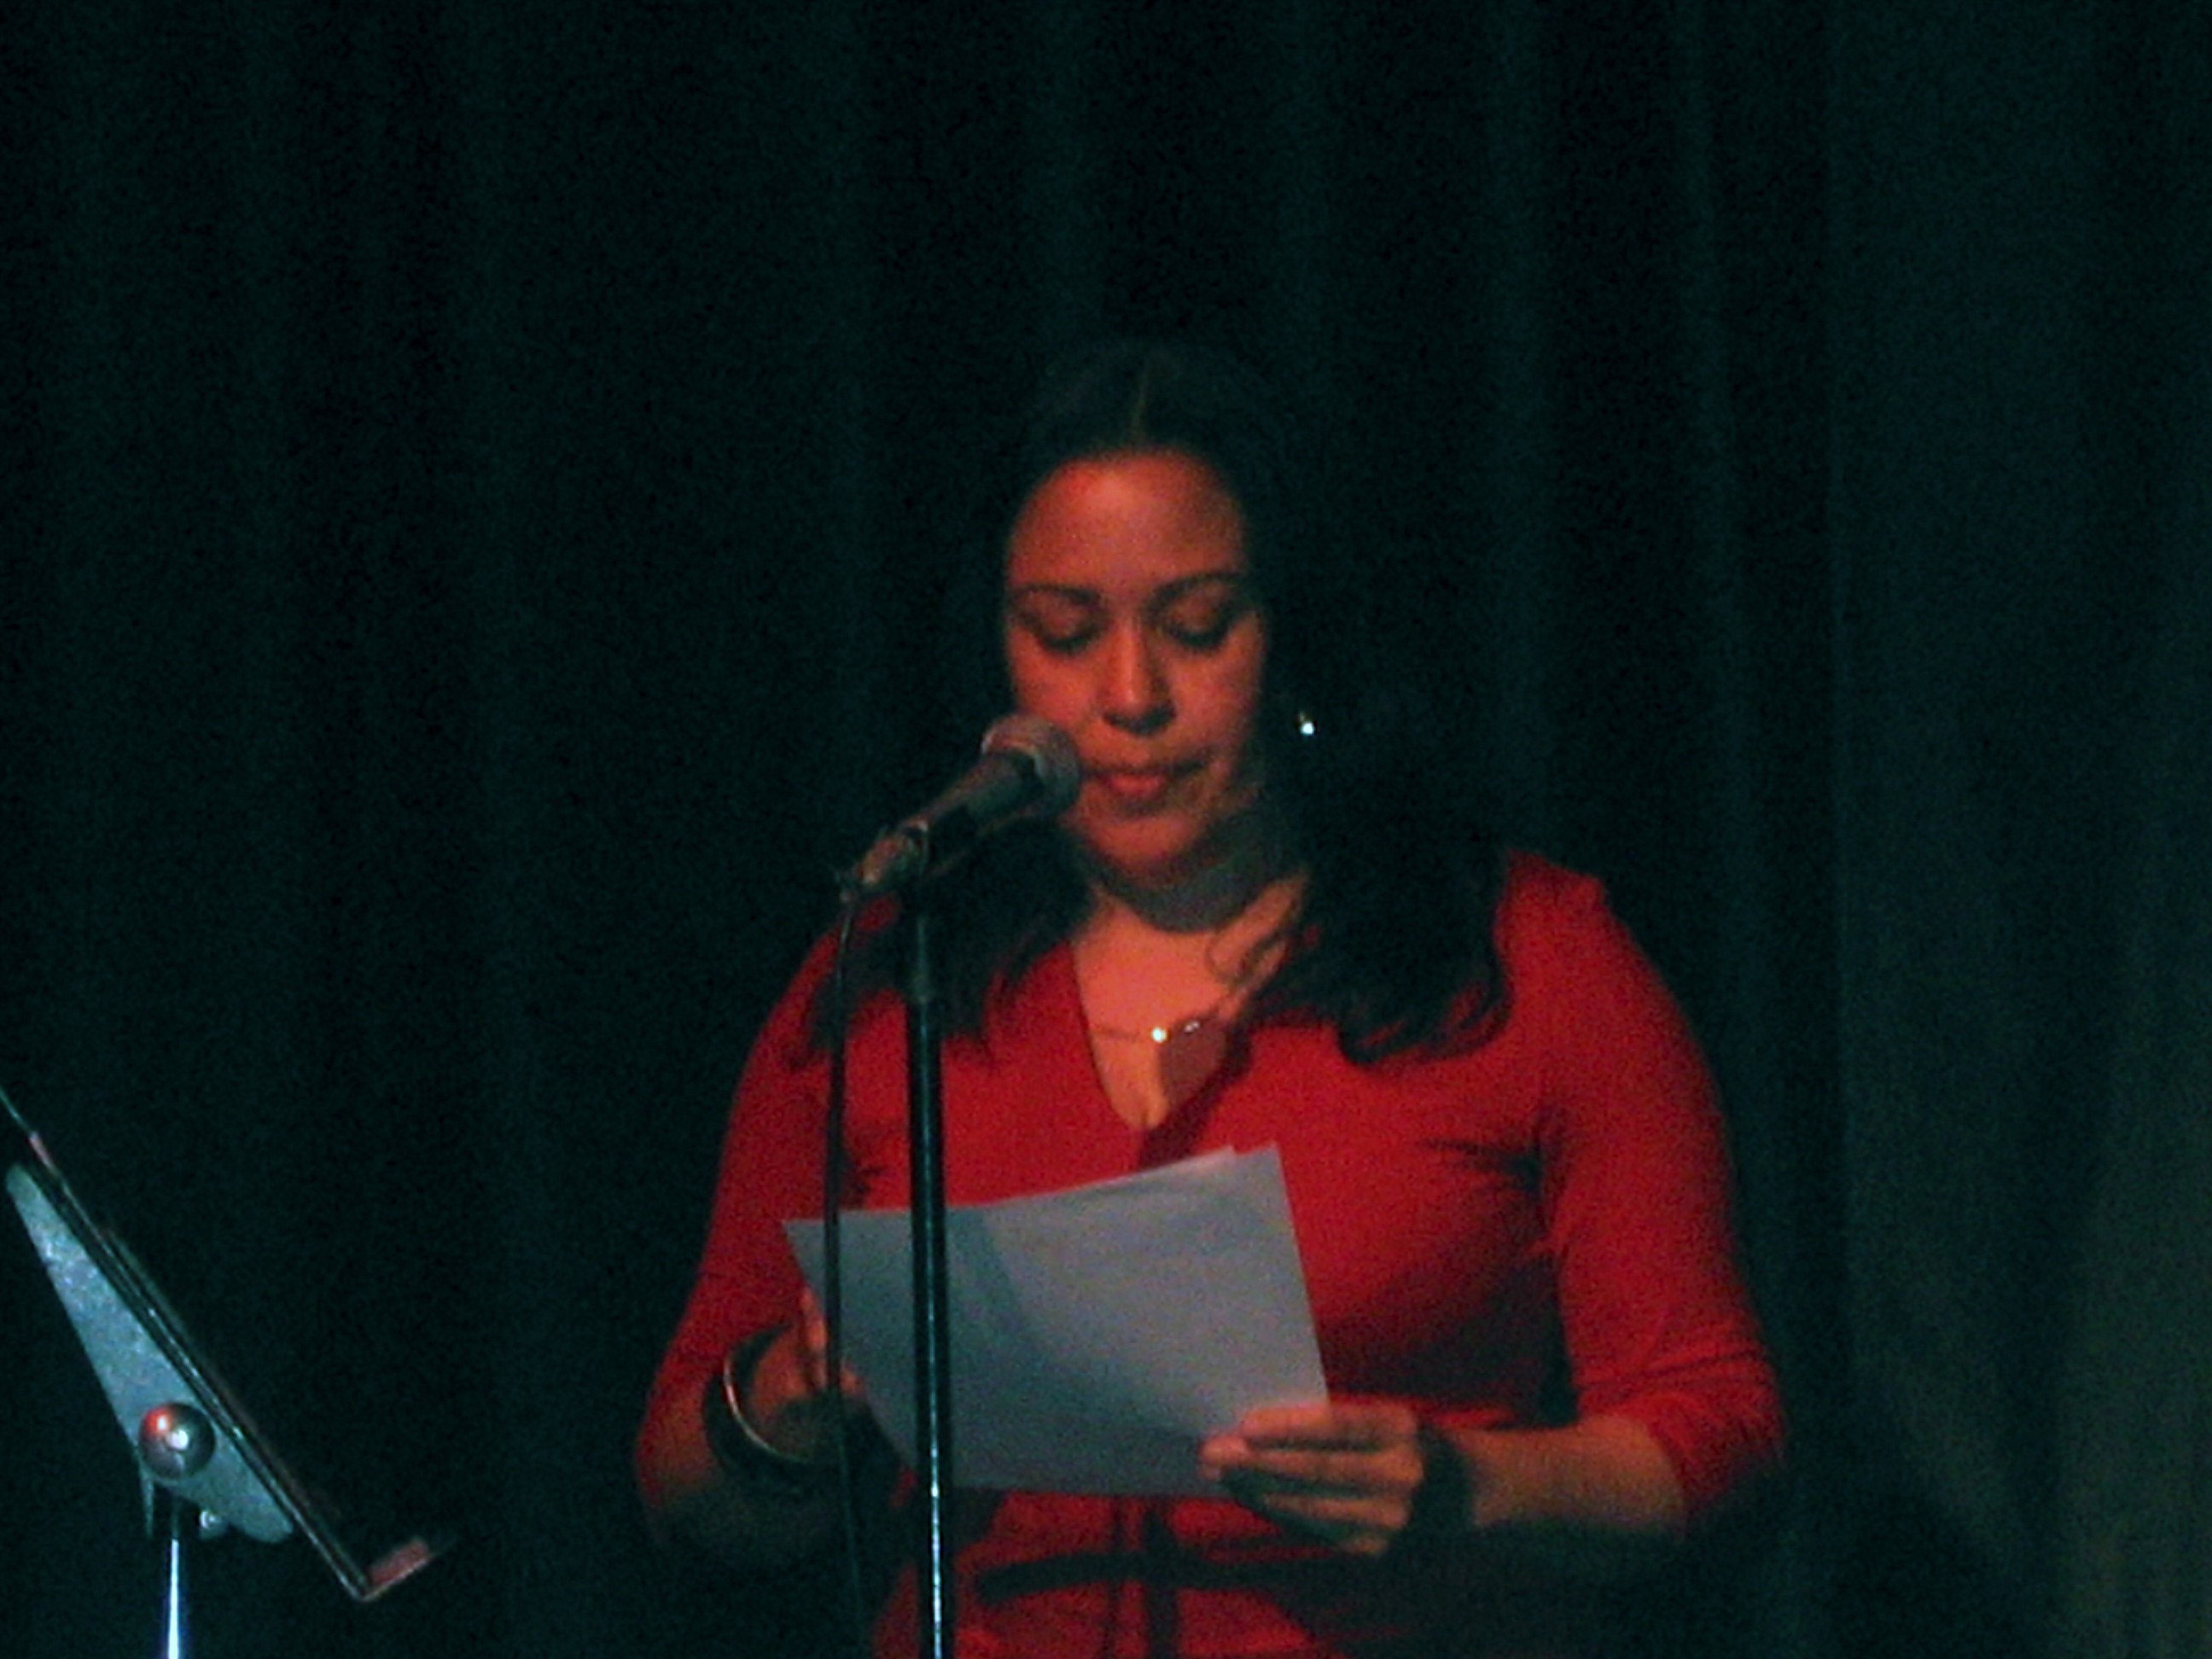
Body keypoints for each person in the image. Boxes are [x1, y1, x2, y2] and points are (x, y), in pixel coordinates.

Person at [637, 339, 1784, 1657]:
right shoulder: (902, 967)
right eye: (1064, 633)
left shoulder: (1524, 954)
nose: (1130, 697)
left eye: (1197, 628)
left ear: (1291, 639)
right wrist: (789, 1400)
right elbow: (684, 1498)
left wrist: (1467, 1487)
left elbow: (1719, 1430)